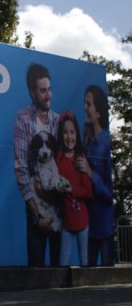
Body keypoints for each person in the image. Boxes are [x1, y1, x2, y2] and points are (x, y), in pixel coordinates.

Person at [13, 63, 61, 267]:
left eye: (49, 89)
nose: (48, 95)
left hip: (58, 205)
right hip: (35, 208)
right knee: (37, 273)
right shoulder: (22, 118)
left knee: (61, 268)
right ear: (32, 92)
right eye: (42, 91)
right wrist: (37, 214)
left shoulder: (58, 121)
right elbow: (21, 167)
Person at [76, 85, 115, 266]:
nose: (85, 108)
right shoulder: (87, 143)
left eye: (88, 104)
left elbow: (109, 194)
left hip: (104, 229)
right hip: (89, 227)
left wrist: (91, 174)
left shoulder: (106, 145)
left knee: (108, 278)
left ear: (98, 112)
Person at [55, 111, 92, 266]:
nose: (69, 137)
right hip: (66, 223)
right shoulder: (58, 159)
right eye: (65, 132)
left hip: (82, 221)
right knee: (63, 264)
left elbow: (89, 192)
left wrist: (71, 189)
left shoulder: (80, 159)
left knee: (85, 263)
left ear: (76, 133)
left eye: (72, 132)